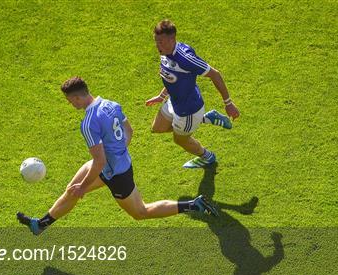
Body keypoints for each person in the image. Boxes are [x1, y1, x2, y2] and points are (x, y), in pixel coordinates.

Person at [17, 77, 218, 235]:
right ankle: (40, 225)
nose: (71, 104)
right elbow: (129, 130)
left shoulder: (88, 123)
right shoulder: (111, 104)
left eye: (70, 101)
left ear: (78, 97)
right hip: (113, 164)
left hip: (117, 175)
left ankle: (194, 204)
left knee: (141, 212)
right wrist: (117, 150)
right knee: (72, 190)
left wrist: (85, 186)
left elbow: (100, 161)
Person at [146, 19, 240, 168]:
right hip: (174, 102)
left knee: (180, 140)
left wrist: (228, 103)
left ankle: (207, 157)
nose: (158, 45)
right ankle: (206, 119)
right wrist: (162, 96)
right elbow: (171, 76)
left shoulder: (186, 58)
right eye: (156, 41)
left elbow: (215, 74)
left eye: (161, 42)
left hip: (188, 110)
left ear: (172, 39)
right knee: (157, 128)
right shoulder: (164, 51)